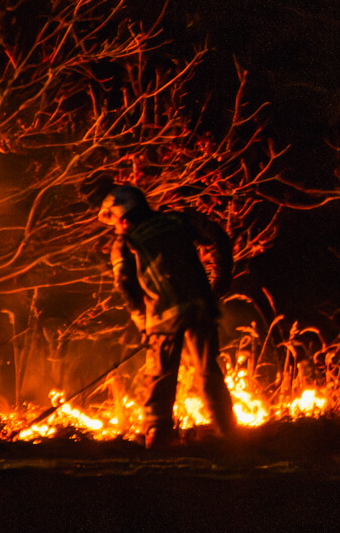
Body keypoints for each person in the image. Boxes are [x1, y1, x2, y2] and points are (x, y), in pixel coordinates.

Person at [98, 185, 239, 448]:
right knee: (208, 371)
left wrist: (141, 320)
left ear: (124, 217)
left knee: (160, 374)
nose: (115, 228)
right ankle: (228, 433)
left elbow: (126, 287)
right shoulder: (178, 219)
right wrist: (219, 283)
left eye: (115, 221)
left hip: (162, 317)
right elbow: (218, 239)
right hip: (200, 308)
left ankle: (157, 435)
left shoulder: (125, 243)